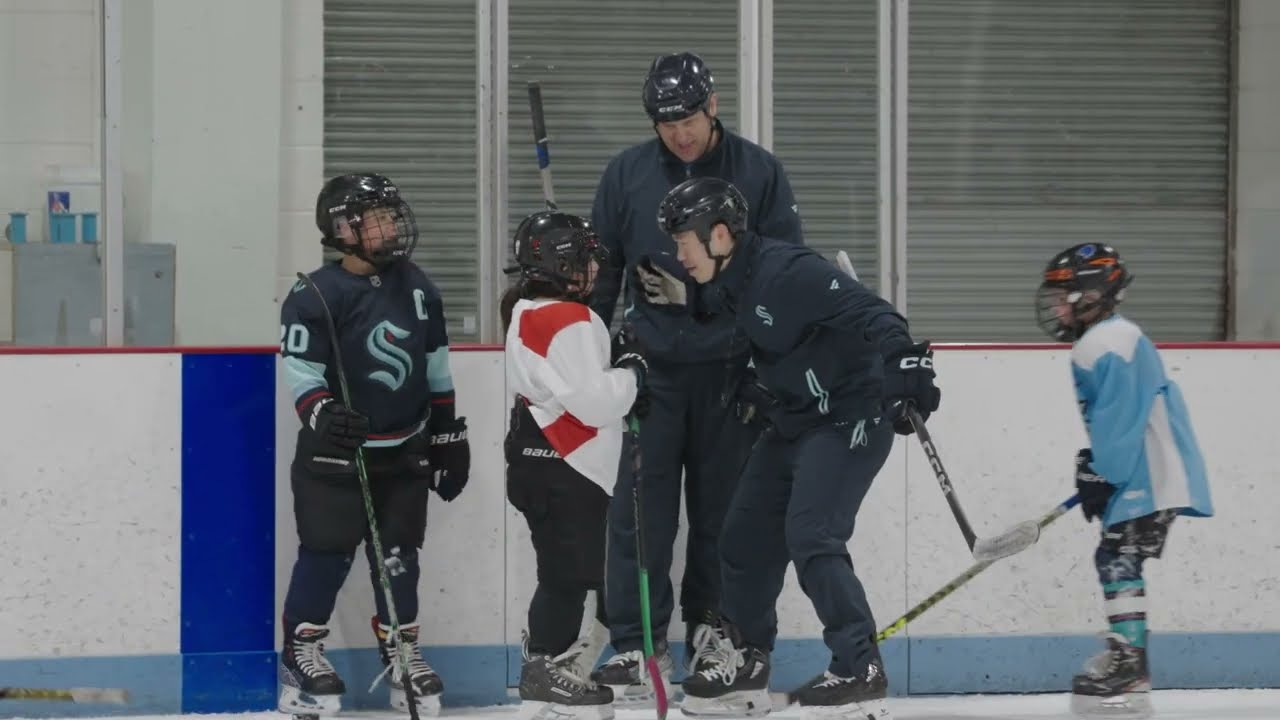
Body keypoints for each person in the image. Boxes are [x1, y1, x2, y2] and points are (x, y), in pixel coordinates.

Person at [637, 176, 940, 719]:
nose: (679, 256)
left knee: (811, 533)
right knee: (742, 536)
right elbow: (752, 331)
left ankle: (858, 667)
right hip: (795, 420)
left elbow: (878, 314)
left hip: (849, 416)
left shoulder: (788, 271)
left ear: (720, 235)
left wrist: (906, 365)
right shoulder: (728, 281)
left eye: (684, 242)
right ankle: (748, 661)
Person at [588, 50, 805, 702]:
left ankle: (716, 633)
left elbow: (786, 274)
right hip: (651, 374)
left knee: (725, 514)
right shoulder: (626, 174)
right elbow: (603, 276)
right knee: (638, 513)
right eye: (666, 123)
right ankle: (636, 643)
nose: (679, 134)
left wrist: (771, 364)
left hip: (731, 372)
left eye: (688, 119)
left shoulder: (759, 172)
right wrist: (589, 352)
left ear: (712, 106)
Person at [276, 173, 472, 719]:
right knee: (327, 551)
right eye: (378, 219)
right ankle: (300, 654)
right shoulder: (314, 294)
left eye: (391, 215)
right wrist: (322, 413)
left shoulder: (417, 286)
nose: (392, 227)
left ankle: (401, 648)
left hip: (404, 451)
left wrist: (447, 432)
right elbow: (301, 369)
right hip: (335, 457)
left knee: (399, 555)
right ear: (343, 230)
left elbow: (435, 365)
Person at [1034, 243, 1214, 718]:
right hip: (1144, 470)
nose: (1056, 308)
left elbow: (1120, 417)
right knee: (1116, 556)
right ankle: (1130, 661)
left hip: (1148, 473)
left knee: (1117, 558)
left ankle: (1129, 664)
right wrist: (1098, 465)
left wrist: (1103, 469)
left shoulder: (1107, 342)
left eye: (1063, 297)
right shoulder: (1114, 338)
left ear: (1091, 295)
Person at [500, 209, 650, 719]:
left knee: (567, 571)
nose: (595, 268)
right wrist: (632, 373)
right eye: (586, 258)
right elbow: (595, 403)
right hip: (567, 465)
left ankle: (554, 661)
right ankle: (544, 667)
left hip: (540, 461)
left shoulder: (526, 310)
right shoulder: (570, 320)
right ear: (561, 264)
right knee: (567, 576)